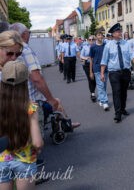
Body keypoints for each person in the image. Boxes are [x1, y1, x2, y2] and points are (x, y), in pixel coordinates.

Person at [8, 24, 80, 133]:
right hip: (32, 103)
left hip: (19, 100)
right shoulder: (25, 49)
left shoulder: (10, 51)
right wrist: (50, 99)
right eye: (29, 32)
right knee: (36, 135)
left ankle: (63, 125)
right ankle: (64, 125)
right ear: (24, 34)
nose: (29, 35)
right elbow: (37, 79)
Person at [0, 60, 43, 189]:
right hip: (25, 160)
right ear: (25, 82)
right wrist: (38, 150)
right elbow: (37, 143)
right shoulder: (31, 107)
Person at [101, 23, 134, 123]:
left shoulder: (126, 43)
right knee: (116, 91)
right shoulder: (108, 46)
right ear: (113, 34)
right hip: (114, 72)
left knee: (123, 92)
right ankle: (117, 114)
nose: (120, 33)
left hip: (126, 71)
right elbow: (104, 61)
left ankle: (123, 109)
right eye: (118, 32)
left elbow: (132, 55)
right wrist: (102, 74)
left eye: (120, 31)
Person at [90, 29, 109, 111]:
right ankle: (105, 102)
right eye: (98, 35)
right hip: (97, 67)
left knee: (104, 85)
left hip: (106, 67)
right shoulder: (93, 47)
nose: (100, 36)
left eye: (101, 35)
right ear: (96, 36)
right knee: (100, 84)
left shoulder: (106, 45)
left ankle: (100, 99)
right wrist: (90, 71)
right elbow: (91, 59)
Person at [80, 35, 96, 101]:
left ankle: (93, 91)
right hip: (87, 64)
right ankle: (92, 93)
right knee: (90, 79)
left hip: (95, 65)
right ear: (88, 40)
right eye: (90, 40)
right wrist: (86, 58)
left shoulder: (96, 47)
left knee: (95, 80)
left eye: (93, 39)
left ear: (95, 40)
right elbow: (81, 56)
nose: (91, 41)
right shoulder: (85, 47)